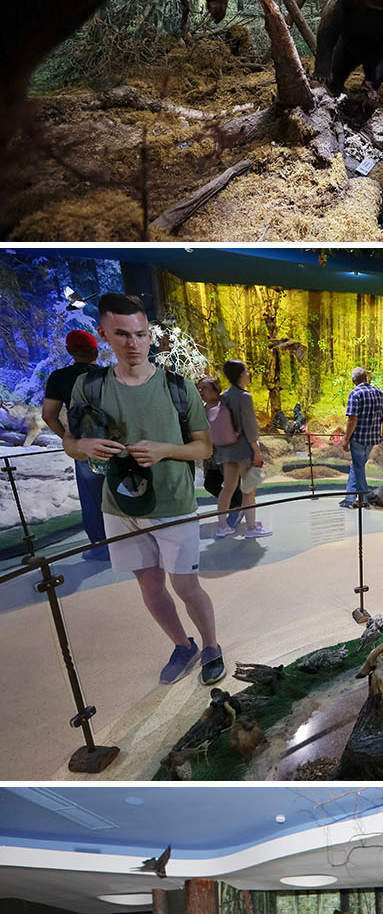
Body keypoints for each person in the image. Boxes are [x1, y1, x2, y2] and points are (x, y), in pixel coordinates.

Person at [64, 291, 225, 689]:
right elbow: (72, 441)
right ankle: (181, 644)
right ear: (104, 334)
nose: (133, 344)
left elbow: (204, 446)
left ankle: (211, 646)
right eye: (122, 335)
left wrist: (165, 450)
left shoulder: (178, 387)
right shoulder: (91, 387)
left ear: (149, 334)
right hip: (119, 505)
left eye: (139, 334)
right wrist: (83, 447)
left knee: (185, 584)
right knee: (148, 583)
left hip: (173, 502)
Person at [40, 325, 110, 561]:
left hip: (84, 444)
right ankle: (130, 541)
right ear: (95, 352)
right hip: (113, 441)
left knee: (92, 497)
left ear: (70, 350)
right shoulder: (108, 374)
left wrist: (68, 438)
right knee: (121, 489)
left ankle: (102, 548)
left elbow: (49, 414)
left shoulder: (59, 377)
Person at [214, 360, 271, 546]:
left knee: (228, 487)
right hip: (244, 450)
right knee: (249, 489)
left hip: (227, 450)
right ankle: (252, 528)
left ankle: (222, 526)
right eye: (246, 371)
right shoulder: (245, 397)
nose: (248, 374)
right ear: (240, 375)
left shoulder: (224, 396)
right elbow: (250, 428)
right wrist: (257, 451)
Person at [341, 366, 383, 507]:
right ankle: (349, 499)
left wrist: (346, 439)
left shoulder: (355, 394)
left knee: (358, 467)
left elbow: (352, 420)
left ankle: (365, 498)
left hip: (358, 439)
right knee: (357, 466)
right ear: (366, 378)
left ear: (353, 380)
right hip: (373, 438)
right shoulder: (378, 393)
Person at [197, 374, 242, 522]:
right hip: (211, 456)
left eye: (204, 388)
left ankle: (236, 508)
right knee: (210, 484)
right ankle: (235, 505)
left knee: (232, 483)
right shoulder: (200, 410)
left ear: (215, 389)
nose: (200, 391)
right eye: (199, 388)